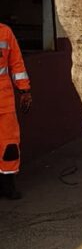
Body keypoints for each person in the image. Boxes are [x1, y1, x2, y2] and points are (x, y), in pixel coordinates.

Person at [0, 23, 32, 199]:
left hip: (4, 102)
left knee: (9, 144)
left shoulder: (5, 32)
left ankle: (8, 185)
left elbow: (16, 63)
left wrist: (24, 90)